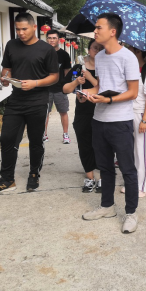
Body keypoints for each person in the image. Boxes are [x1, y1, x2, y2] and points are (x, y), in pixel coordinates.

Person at [80, 13, 140, 234]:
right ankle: (107, 206)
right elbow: (101, 86)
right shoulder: (101, 57)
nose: (95, 31)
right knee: (104, 167)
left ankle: (131, 213)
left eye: (99, 28)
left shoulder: (128, 57)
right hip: (99, 120)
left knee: (127, 169)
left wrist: (109, 100)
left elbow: (133, 92)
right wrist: (87, 93)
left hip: (120, 122)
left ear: (113, 31)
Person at [0, 13, 59, 195]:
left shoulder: (46, 49)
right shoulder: (11, 45)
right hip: (16, 100)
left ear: (34, 27)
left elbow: (54, 77)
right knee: (7, 139)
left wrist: (35, 83)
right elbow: (7, 69)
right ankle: (7, 179)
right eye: (17, 29)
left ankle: (34, 174)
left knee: (35, 141)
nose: (20, 33)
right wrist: (5, 78)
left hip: (38, 101)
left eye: (24, 29)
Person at [62, 39, 103, 193]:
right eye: (94, 48)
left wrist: (90, 77)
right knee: (84, 144)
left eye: (100, 48)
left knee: (102, 145)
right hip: (83, 111)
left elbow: (105, 87)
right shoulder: (78, 68)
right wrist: (76, 83)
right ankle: (90, 177)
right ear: (89, 49)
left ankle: (102, 177)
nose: (97, 51)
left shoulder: (107, 66)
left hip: (103, 112)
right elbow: (65, 88)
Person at [122, 46, 146, 198]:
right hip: (129, 113)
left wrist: (144, 119)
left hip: (142, 115)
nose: (127, 50)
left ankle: (145, 184)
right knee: (133, 151)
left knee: (143, 150)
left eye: (130, 48)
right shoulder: (131, 68)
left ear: (138, 51)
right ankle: (136, 182)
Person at [43, 29, 72, 144]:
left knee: (63, 111)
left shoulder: (64, 55)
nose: (52, 40)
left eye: (54, 38)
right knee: (45, 112)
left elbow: (67, 72)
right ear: (47, 39)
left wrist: (66, 86)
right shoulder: (43, 53)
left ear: (58, 40)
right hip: (46, 89)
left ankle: (65, 134)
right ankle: (44, 134)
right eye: (50, 38)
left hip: (60, 89)